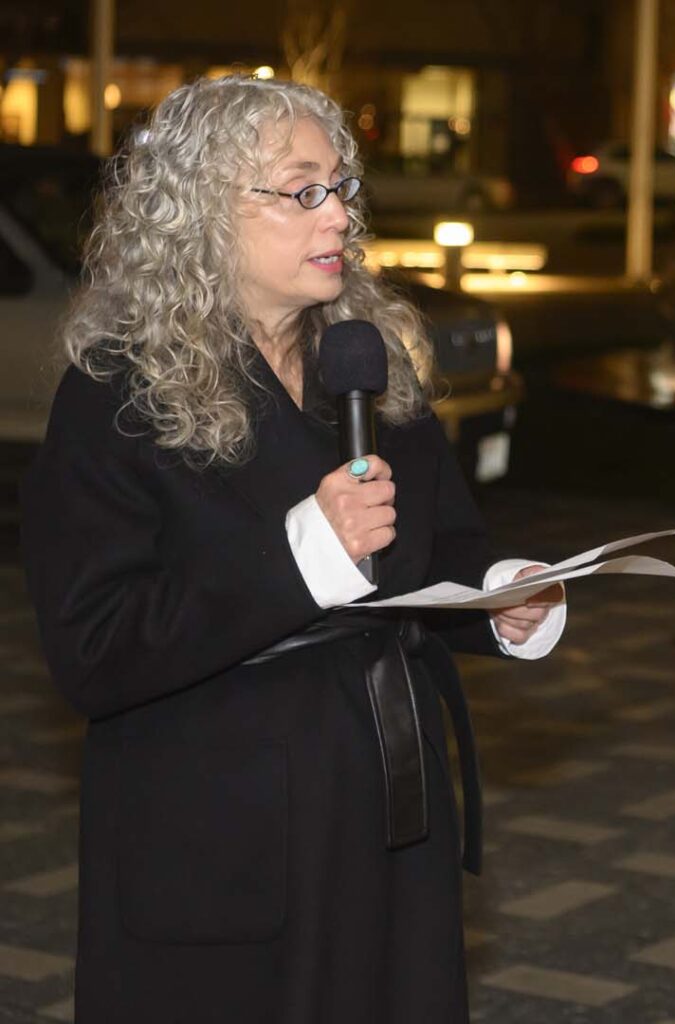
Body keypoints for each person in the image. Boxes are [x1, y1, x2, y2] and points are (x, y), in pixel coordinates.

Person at [21, 76, 567, 1022]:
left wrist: (502, 595)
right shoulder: (116, 391)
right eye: (303, 190)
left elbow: (440, 546)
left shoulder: (368, 362)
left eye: (341, 187)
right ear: (202, 212)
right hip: (221, 825)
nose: (340, 215)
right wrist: (304, 554)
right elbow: (94, 648)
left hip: (389, 805)